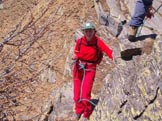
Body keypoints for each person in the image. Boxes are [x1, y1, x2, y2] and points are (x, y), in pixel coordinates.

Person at [72, 22, 113, 120]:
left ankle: (86, 113)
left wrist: (115, 57)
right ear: (83, 32)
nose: (88, 33)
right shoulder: (79, 41)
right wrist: (75, 57)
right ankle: (78, 110)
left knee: (85, 93)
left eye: (90, 31)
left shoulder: (98, 42)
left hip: (90, 69)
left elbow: (108, 51)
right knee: (77, 93)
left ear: (94, 31)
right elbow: (76, 52)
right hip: (78, 67)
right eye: (86, 31)